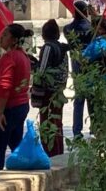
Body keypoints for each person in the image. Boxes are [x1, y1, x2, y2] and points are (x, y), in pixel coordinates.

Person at [0, 24, 33, 174]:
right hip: (19, 106)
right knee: (16, 147)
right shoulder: (22, 56)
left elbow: (5, 86)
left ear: (13, 40)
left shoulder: (10, 57)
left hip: (9, 109)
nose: (1, 37)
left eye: (5, 35)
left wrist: (0, 112)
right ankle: (24, 175)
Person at [33, 20, 69, 157]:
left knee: (47, 123)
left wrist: (33, 66)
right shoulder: (63, 48)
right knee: (57, 122)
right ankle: (58, 152)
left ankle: (51, 153)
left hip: (49, 91)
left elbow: (41, 71)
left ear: (44, 34)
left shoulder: (48, 47)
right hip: (59, 91)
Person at [64, 1, 93, 139]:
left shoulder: (67, 29)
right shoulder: (92, 28)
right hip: (92, 66)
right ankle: (96, 128)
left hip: (76, 67)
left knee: (79, 99)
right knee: (93, 98)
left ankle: (77, 131)